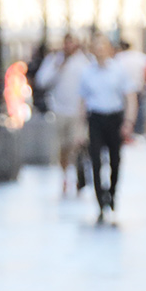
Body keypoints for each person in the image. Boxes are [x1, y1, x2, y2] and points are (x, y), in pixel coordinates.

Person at [80, 39, 132, 224]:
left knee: (115, 159)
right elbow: (82, 100)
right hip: (96, 118)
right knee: (95, 160)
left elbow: (129, 96)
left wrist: (128, 121)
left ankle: (112, 193)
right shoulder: (87, 72)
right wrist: (82, 127)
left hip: (114, 118)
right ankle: (100, 199)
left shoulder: (119, 70)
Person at [35, 35, 92, 194]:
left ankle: (77, 175)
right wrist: (58, 67)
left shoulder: (85, 62)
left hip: (77, 111)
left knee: (76, 144)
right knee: (63, 146)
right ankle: (65, 176)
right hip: (58, 109)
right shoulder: (54, 60)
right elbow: (42, 81)